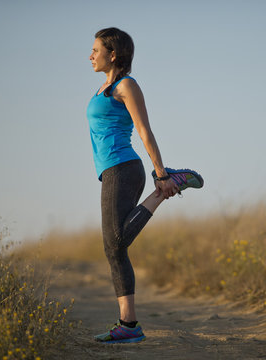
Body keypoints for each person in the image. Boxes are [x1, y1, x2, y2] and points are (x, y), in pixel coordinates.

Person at [87, 27, 203, 344]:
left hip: (124, 168)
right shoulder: (103, 88)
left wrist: (161, 172)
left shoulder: (126, 85)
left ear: (114, 54)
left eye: (96, 49)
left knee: (115, 243)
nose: (90, 55)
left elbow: (144, 131)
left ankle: (166, 187)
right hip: (111, 171)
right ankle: (128, 325)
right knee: (114, 248)